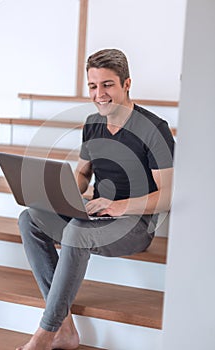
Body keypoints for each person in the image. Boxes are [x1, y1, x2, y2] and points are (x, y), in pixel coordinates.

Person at [16, 48, 174, 350]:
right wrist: (61, 195)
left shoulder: (154, 129)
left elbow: (167, 195)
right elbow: (84, 174)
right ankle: (65, 328)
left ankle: (44, 334)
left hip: (135, 224)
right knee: (30, 219)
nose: (99, 94)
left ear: (127, 84)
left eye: (107, 85)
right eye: (93, 86)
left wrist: (118, 206)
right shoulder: (92, 123)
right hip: (96, 213)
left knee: (76, 233)